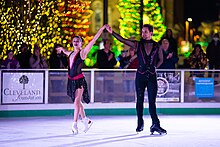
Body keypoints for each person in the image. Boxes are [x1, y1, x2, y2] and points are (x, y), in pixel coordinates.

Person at [106, 24, 166, 134]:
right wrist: (112, 32)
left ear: (151, 33)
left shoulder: (157, 46)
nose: (143, 34)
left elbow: (161, 59)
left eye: (145, 32)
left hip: (152, 75)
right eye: (142, 32)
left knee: (152, 102)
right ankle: (140, 122)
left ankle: (155, 124)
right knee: (140, 100)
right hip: (141, 75)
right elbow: (123, 40)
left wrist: (154, 67)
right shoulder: (137, 44)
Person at [56, 25, 106, 135]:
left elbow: (93, 40)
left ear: (81, 43)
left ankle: (74, 124)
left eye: (78, 41)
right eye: (74, 41)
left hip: (79, 81)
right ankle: (85, 120)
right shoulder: (70, 53)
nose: (75, 42)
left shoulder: (82, 53)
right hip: (71, 80)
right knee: (78, 103)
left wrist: (101, 29)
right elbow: (65, 52)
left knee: (76, 102)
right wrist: (62, 50)